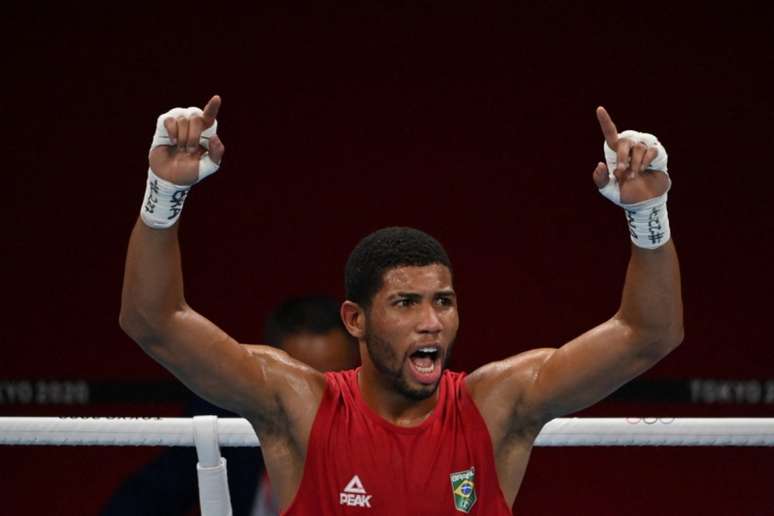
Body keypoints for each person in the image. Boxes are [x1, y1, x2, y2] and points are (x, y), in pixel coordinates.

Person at [119, 96, 683, 514]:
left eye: (443, 301)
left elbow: (648, 335)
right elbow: (154, 323)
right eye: (406, 303)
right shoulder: (295, 404)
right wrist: (164, 192)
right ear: (355, 320)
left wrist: (647, 214)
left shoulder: (497, 405)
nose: (431, 321)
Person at [103, 295, 358, 516]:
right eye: (296, 381)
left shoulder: (380, 425)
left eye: (329, 382)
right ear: (267, 369)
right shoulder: (223, 421)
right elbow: (150, 496)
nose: (309, 396)